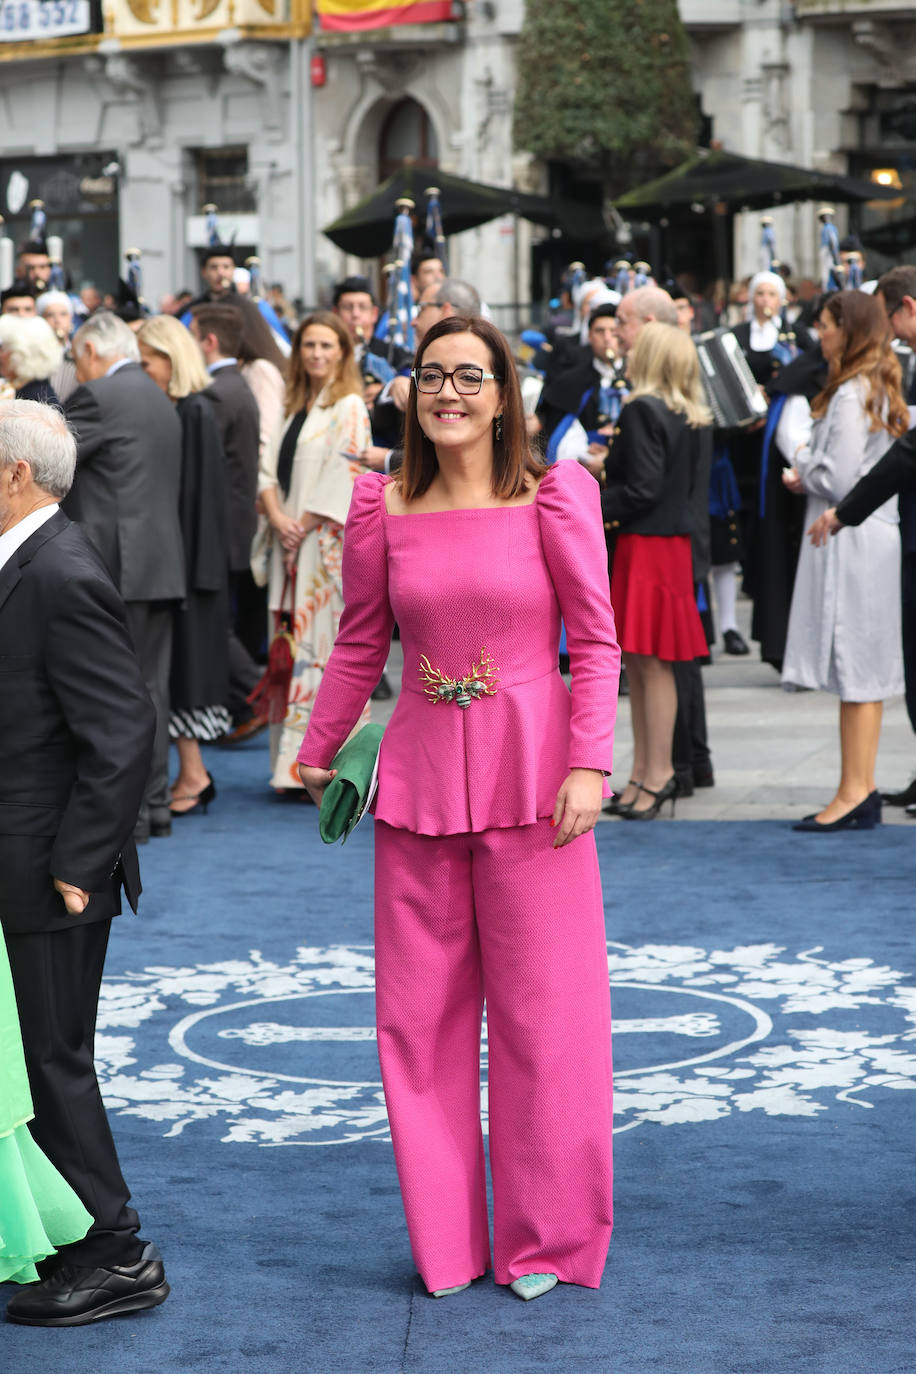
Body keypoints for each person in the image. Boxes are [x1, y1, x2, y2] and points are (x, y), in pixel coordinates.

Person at [297, 314, 619, 1303]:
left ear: (502, 393)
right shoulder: (377, 507)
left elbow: (596, 644)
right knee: (417, 1027)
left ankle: (544, 1244)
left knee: (545, 1025)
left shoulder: (555, 496)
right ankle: (448, 1246)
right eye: (430, 377)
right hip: (420, 790)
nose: (447, 393)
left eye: (469, 377)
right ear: (407, 391)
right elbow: (359, 643)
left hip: (536, 789)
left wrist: (589, 765)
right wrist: (320, 748)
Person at [0, 400, 168, 1325]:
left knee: (53, 1060)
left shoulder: (60, 570)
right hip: (22, 857)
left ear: (16, 474)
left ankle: (117, 1251)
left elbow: (123, 730)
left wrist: (80, 862)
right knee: (28, 1061)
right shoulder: (28, 560)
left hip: (49, 871)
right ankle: (63, 1233)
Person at [781, 289, 909, 831]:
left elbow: (840, 475)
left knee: (857, 663)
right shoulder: (870, 382)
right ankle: (858, 785)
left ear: (849, 330)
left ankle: (856, 789)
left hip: (855, 535)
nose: (820, 334)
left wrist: (803, 465)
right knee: (863, 664)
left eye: (828, 325)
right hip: (870, 533)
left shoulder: (853, 391)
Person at [63, 311, 185, 842]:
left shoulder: (99, 398)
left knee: (117, 695)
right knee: (149, 690)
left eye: (75, 359)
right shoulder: (157, 394)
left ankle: (131, 817)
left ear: (91, 351)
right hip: (157, 563)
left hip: (120, 566)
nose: (76, 370)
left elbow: (44, 461)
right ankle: (152, 807)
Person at [257, 311, 371, 791]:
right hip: (289, 543)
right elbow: (266, 472)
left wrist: (298, 528)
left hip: (323, 551)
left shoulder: (349, 406)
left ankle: (334, 767)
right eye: (309, 345)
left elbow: (344, 478)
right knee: (289, 649)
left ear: (343, 352)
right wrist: (280, 521)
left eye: (327, 345)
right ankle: (290, 765)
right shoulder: (291, 405)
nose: (318, 354)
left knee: (323, 650)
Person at [601, 323, 711, 819]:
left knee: (650, 664)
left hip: (647, 544)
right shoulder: (685, 413)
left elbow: (642, 489)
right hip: (666, 544)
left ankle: (657, 772)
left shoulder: (642, 409)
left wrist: (593, 500)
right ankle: (644, 772)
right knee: (646, 663)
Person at [136, 314, 231, 814]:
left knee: (187, 675)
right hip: (183, 564)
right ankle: (193, 774)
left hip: (193, 568)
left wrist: (196, 574)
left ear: (170, 360)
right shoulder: (183, 408)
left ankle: (193, 776)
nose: (140, 368)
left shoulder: (195, 410)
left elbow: (201, 499)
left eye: (147, 360)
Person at [190, 303, 264, 740]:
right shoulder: (234, 386)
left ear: (209, 341)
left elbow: (204, 466)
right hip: (233, 528)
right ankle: (248, 702)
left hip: (222, 531)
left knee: (215, 624)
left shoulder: (219, 392)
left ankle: (253, 697)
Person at [0, 315, 63, 405]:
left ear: (21, 355)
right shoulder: (29, 391)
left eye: (3, 348)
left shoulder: (36, 400)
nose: (0, 355)